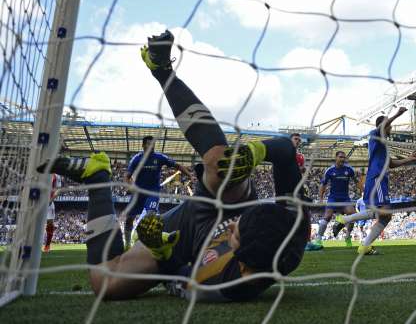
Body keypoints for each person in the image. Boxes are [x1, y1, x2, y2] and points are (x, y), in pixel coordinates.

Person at [37, 30, 309, 301]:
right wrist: (255, 152)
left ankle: (96, 176)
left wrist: (162, 254)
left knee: (106, 284)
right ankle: (162, 70)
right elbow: (286, 149)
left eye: (234, 234)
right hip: (225, 200)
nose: (230, 228)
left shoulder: (220, 283)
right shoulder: (294, 225)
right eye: (238, 223)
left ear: (243, 266)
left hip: (184, 234)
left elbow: (183, 283)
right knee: (223, 165)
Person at [335, 108, 416, 255]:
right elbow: (381, 127)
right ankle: (345, 220)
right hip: (377, 178)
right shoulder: (374, 135)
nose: (391, 128)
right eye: (389, 126)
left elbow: (391, 164)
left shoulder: (383, 145)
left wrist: (410, 159)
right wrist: (397, 114)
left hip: (380, 179)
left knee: (385, 216)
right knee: (384, 212)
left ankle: (364, 245)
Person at [123, 136, 193, 249]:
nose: (151, 146)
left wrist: (190, 175)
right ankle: (127, 244)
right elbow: (127, 176)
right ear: (143, 145)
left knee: (150, 215)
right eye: (149, 144)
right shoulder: (136, 159)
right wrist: (129, 186)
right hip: (138, 193)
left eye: (153, 144)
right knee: (129, 219)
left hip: (153, 192)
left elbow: (177, 165)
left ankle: (142, 240)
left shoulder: (159, 157)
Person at [305, 151, 359, 250]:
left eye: (344, 157)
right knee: (327, 216)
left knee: (353, 215)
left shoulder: (349, 170)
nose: (342, 159)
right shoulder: (330, 170)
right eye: (340, 157)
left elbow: (357, 182)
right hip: (333, 198)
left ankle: (347, 236)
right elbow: (323, 184)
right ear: (336, 158)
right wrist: (320, 198)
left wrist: (363, 193)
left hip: (345, 198)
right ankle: (318, 239)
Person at [43, 174, 60, 253]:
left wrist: (50, 200)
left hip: (49, 202)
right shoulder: (39, 172)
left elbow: (58, 190)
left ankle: (47, 245)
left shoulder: (56, 176)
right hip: (37, 200)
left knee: (50, 223)